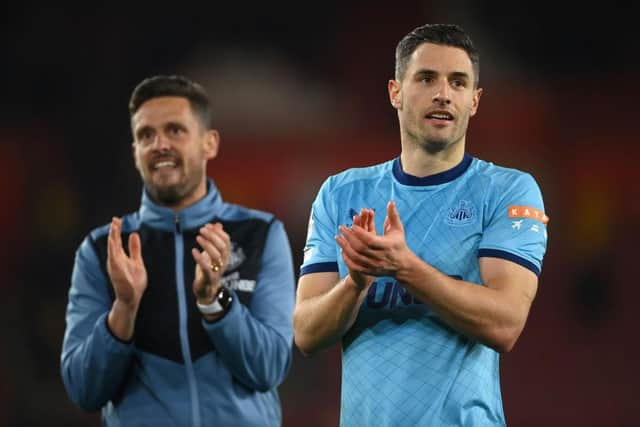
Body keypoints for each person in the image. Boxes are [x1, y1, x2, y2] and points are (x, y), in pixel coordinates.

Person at [294, 24, 549, 426]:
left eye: (458, 82)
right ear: (395, 91)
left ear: (475, 100)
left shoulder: (506, 191)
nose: (443, 94)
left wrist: (404, 268)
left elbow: (506, 323)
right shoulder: (340, 194)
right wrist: (356, 282)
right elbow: (306, 333)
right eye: (427, 78)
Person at [61, 75, 295, 426]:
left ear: (209, 144)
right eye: (146, 135)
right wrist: (123, 310)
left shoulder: (260, 234)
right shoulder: (102, 250)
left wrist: (214, 301)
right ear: (135, 153)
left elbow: (270, 369)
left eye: (175, 130)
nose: (160, 145)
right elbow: (83, 389)